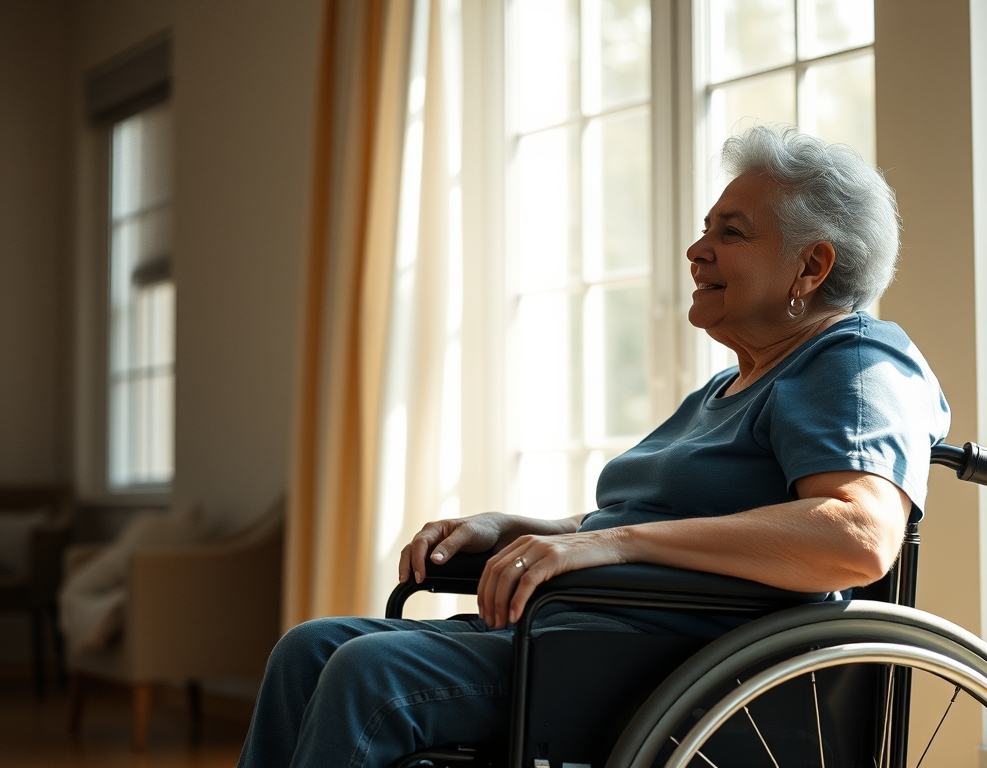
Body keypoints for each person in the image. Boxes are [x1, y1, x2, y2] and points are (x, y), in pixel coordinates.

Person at [237, 126, 950, 768]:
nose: (697, 249)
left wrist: (609, 547)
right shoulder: (728, 388)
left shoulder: (853, 364)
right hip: (589, 634)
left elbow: (858, 535)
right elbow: (648, 523)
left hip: (669, 663)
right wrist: (520, 528)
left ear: (812, 266)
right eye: (706, 229)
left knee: (369, 673)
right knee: (309, 651)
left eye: (731, 233)